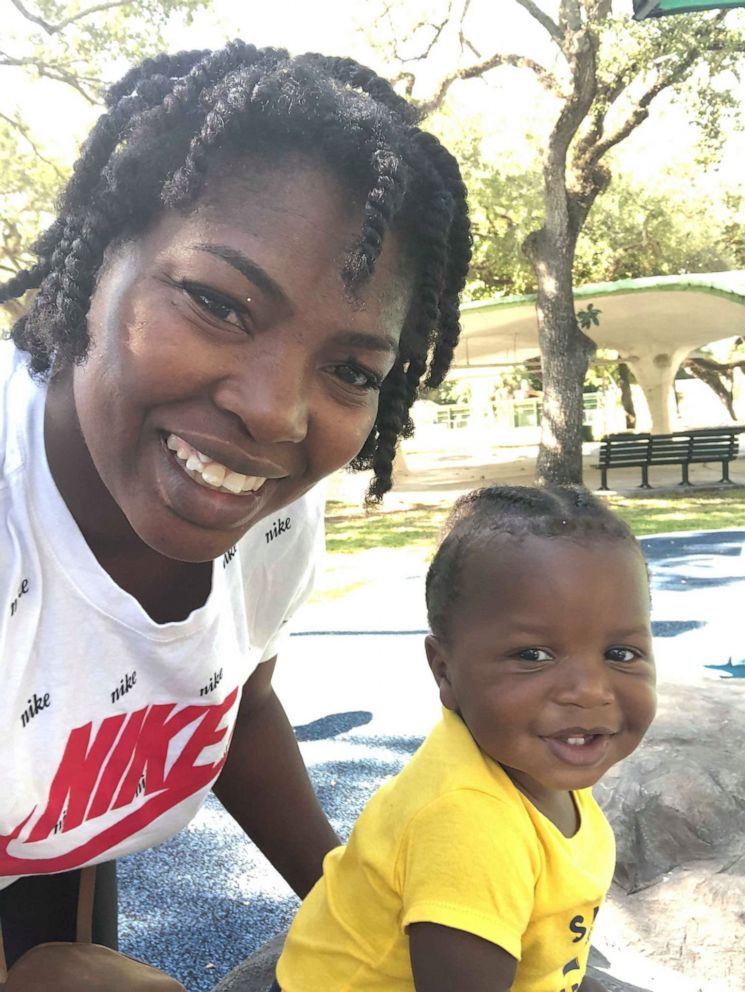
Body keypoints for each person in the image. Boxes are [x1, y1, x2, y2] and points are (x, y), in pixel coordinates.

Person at [0, 41, 471, 965]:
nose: (274, 411)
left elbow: (237, 704)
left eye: (347, 369)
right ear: (100, 260)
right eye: (218, 302)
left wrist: (366, 926)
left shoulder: (270, 514)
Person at [275, 485, 657, 992]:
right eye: (533, 656)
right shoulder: (469, 826)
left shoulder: (533, 762)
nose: (588, 691)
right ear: (445, 671)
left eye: (621, 653)